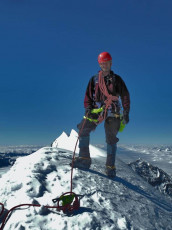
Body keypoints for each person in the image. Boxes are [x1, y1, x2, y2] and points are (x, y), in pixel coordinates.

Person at [72, 52, 130, 178]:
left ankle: (110, 167)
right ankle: (84, 159)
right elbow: (88, 95)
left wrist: (126, 111)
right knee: (83, 128)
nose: (105, 66)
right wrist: (88, 107)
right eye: (102, 63)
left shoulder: (117, 80)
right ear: (100, 64)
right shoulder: (94, 79)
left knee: (111, 138)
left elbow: (125, 95)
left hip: (113, 109)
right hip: (97, 109)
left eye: (107, 63)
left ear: (111, 63)